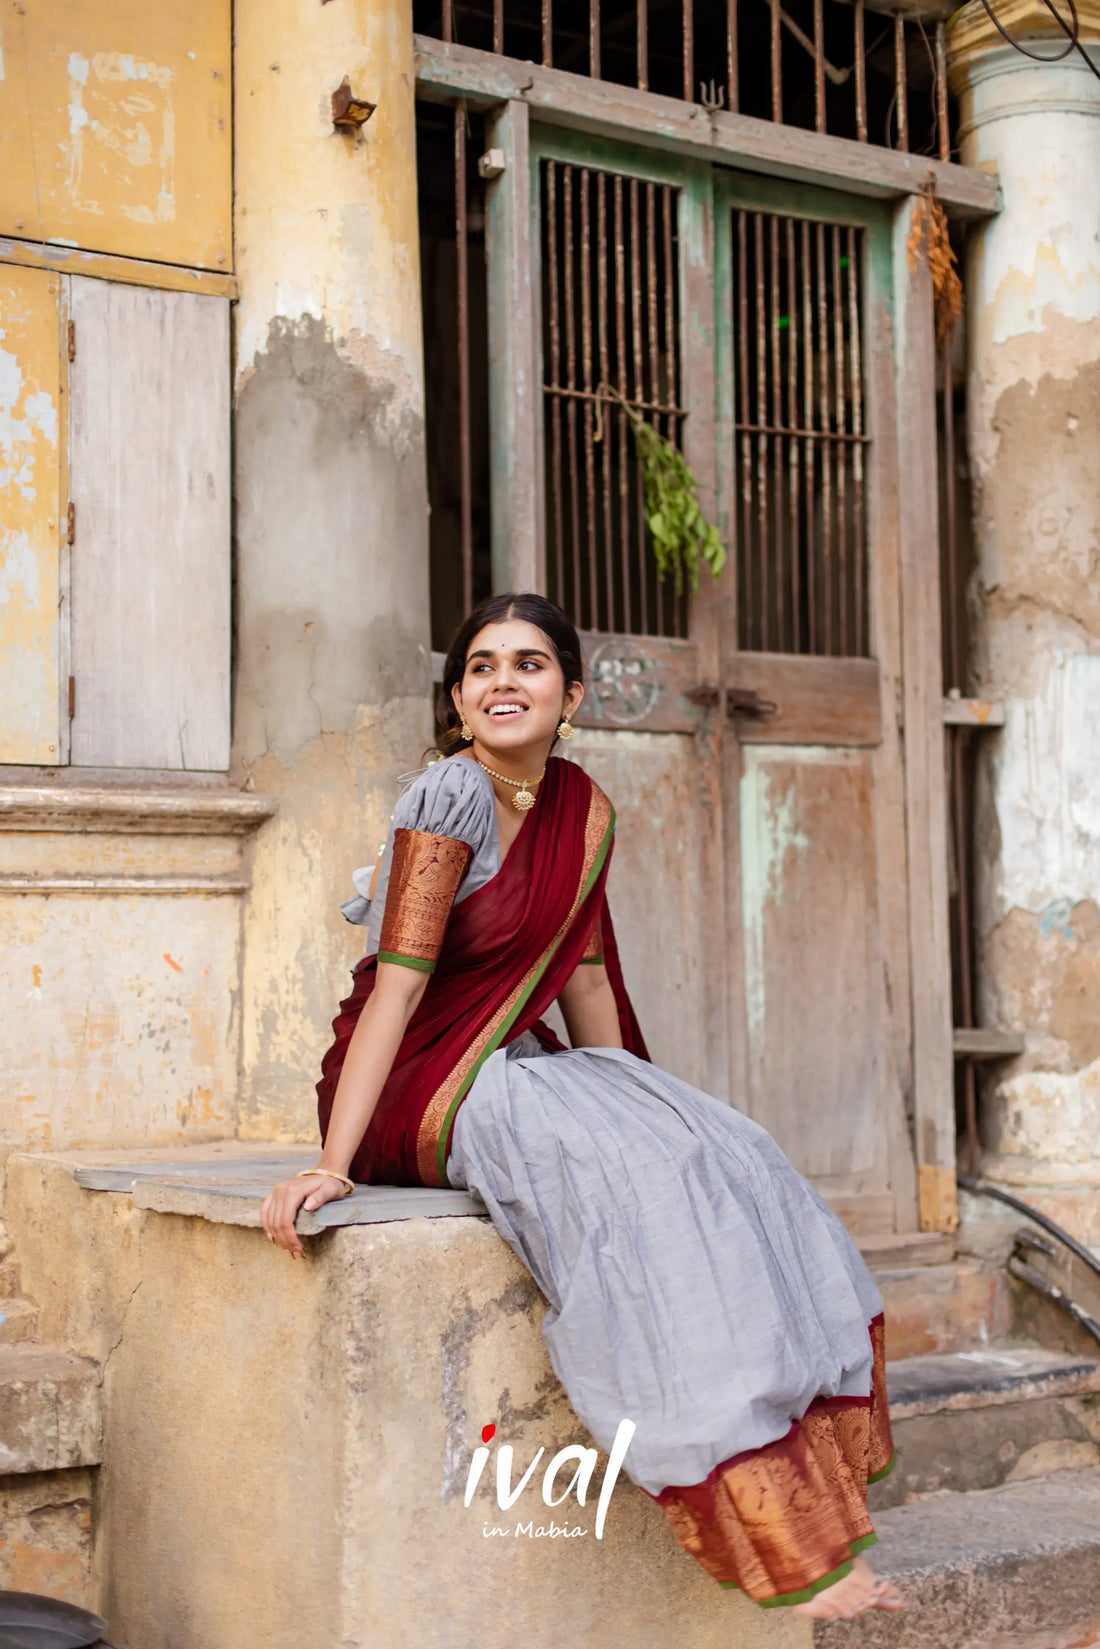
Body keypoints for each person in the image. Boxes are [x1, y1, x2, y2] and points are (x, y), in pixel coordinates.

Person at [260, 592, 906, 1622]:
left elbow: (589, 981)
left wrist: (643, 1100)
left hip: (511, 1055)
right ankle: (755, 1508)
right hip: (423, 1076)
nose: (501, 681)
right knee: (632, 1177)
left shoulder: (579, 806)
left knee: (722, 1149)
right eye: (479, 666)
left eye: (527, 663)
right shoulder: (447, 797)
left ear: (568, 693)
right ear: (458, 697)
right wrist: (335, 1160)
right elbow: (397, 984)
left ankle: (803, 1486)